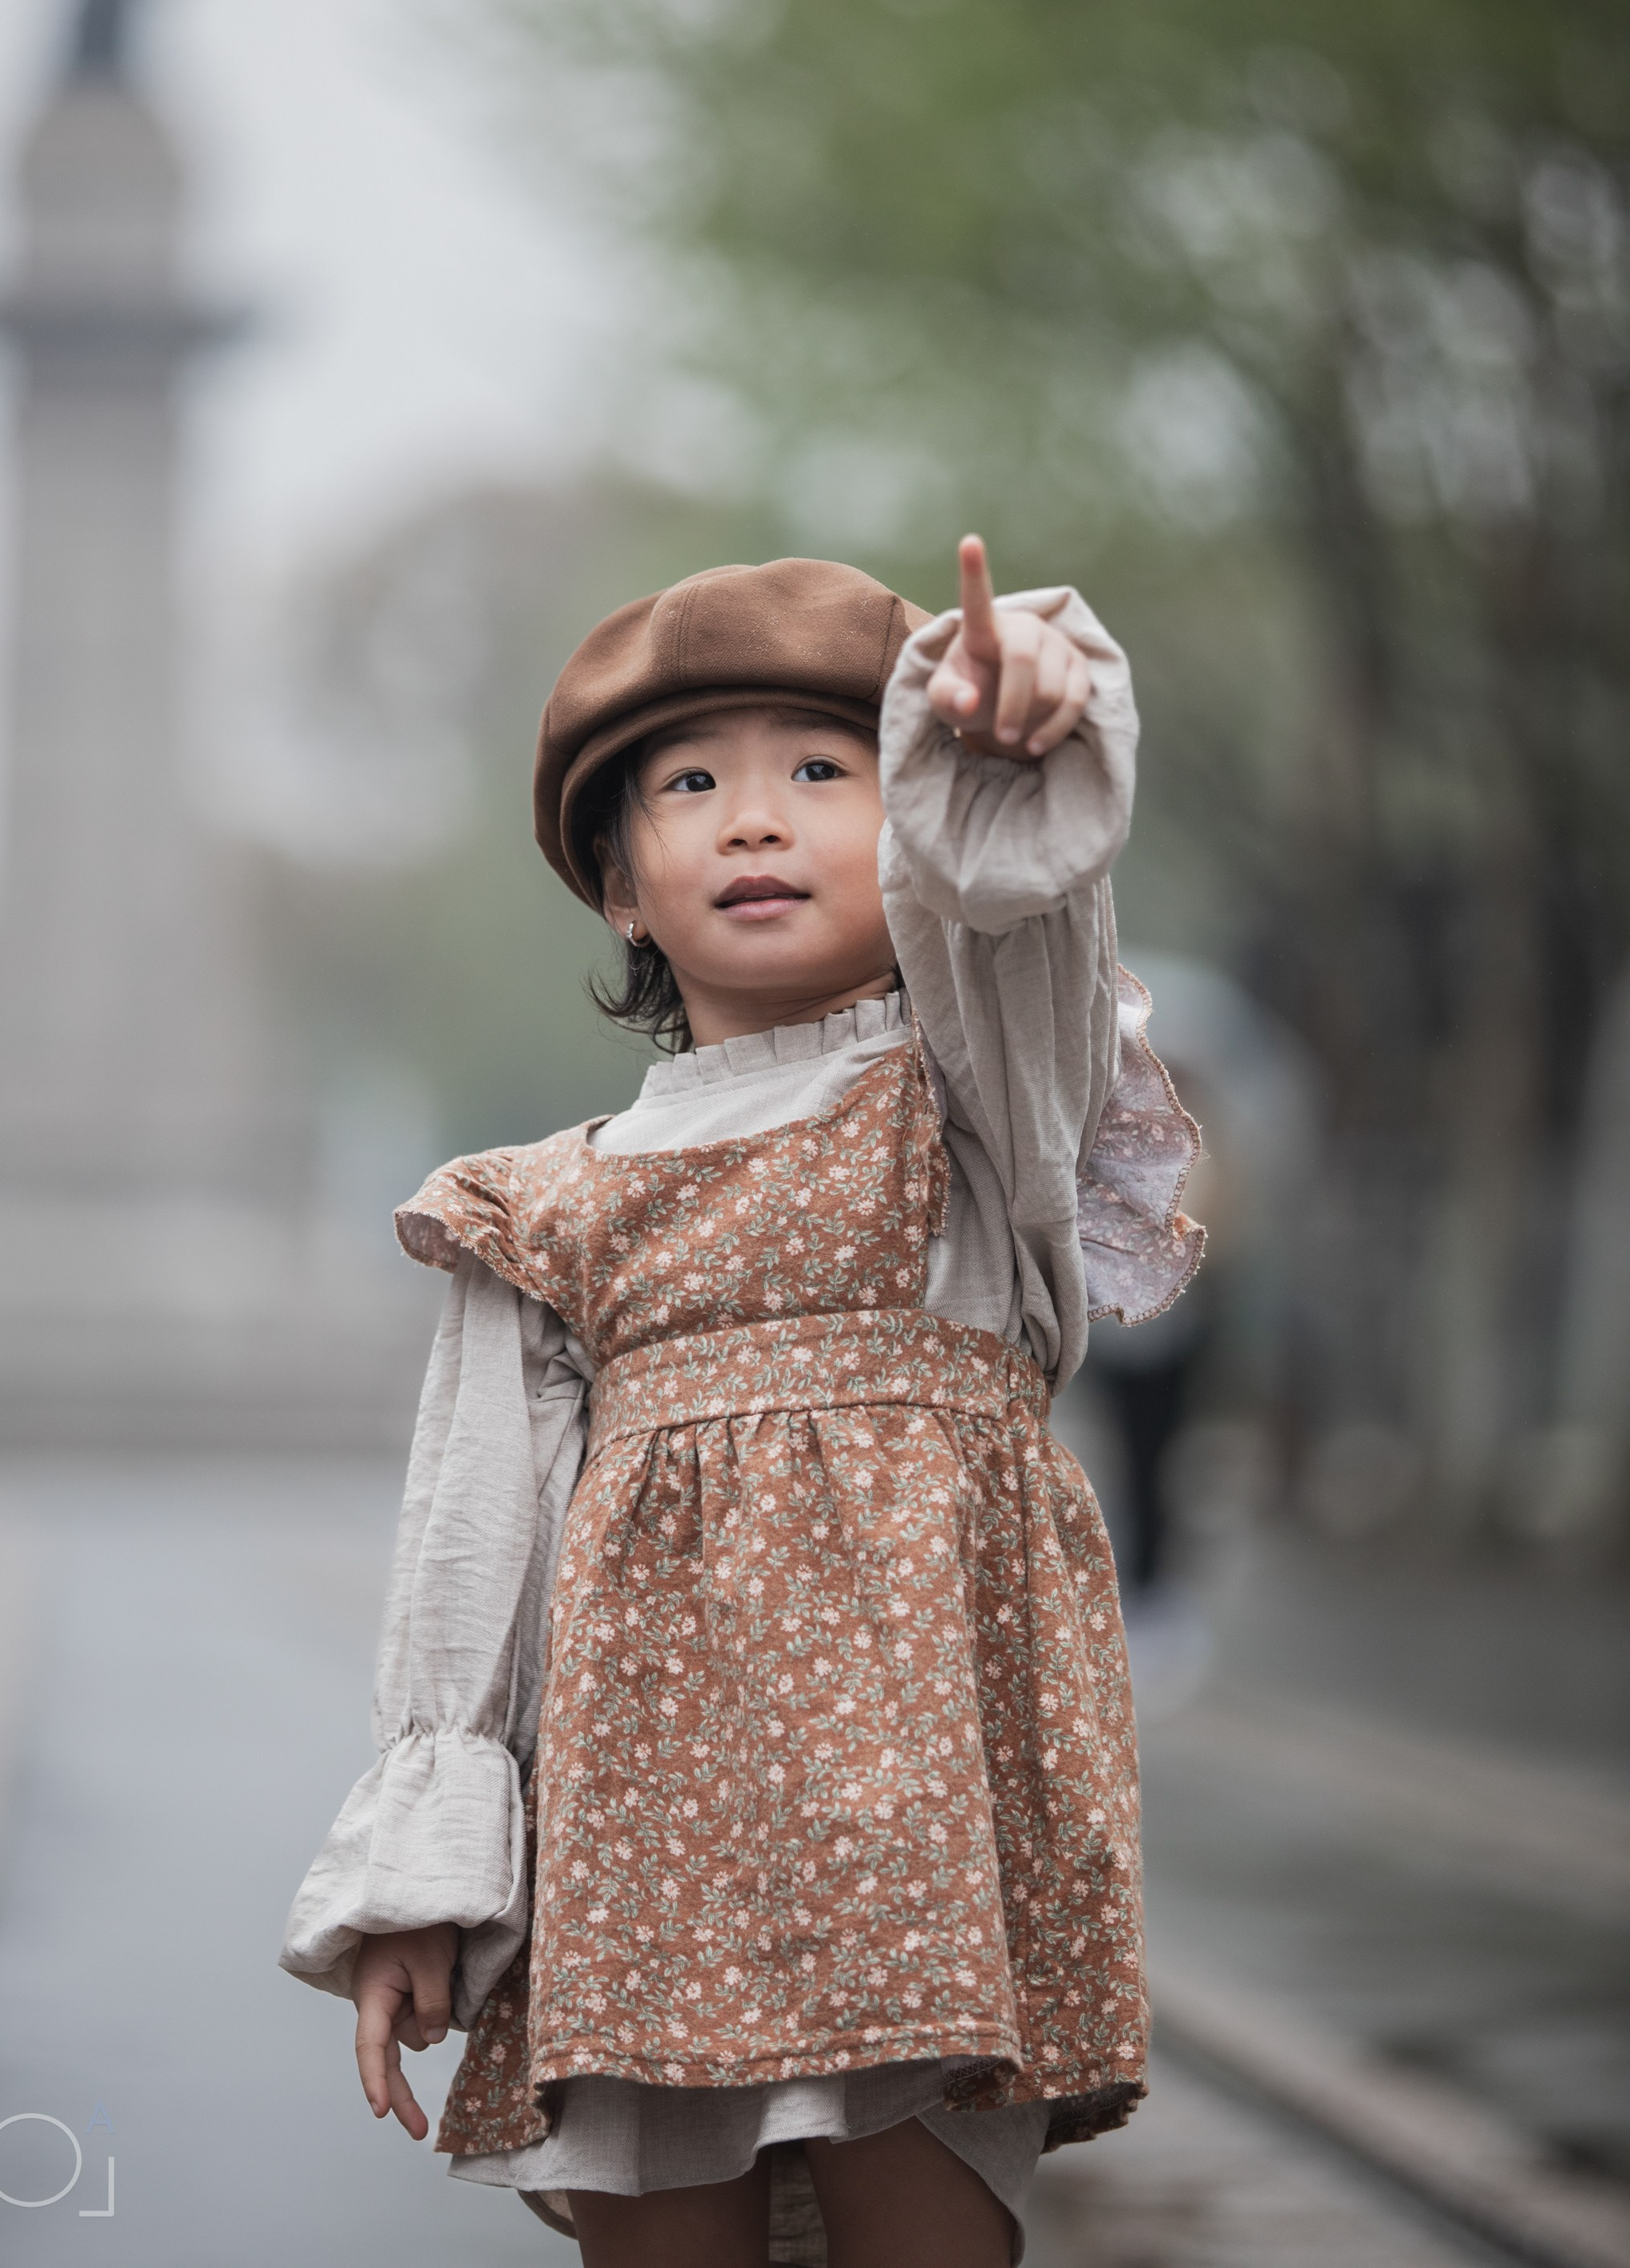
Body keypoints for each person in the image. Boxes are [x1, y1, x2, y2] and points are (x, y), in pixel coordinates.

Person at [279, 539, 1203, 2268]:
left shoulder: (975, 1105)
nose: (753, 818)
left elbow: (1024, 914)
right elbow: (470, 1537)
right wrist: (424, 1876)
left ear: (914, 823)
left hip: (926, 1824)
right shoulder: (539, 1200)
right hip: (646, 1840)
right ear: (620, 883)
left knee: (919, 2230)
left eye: (821, 771)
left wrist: (1009, 736)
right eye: (689, 784)